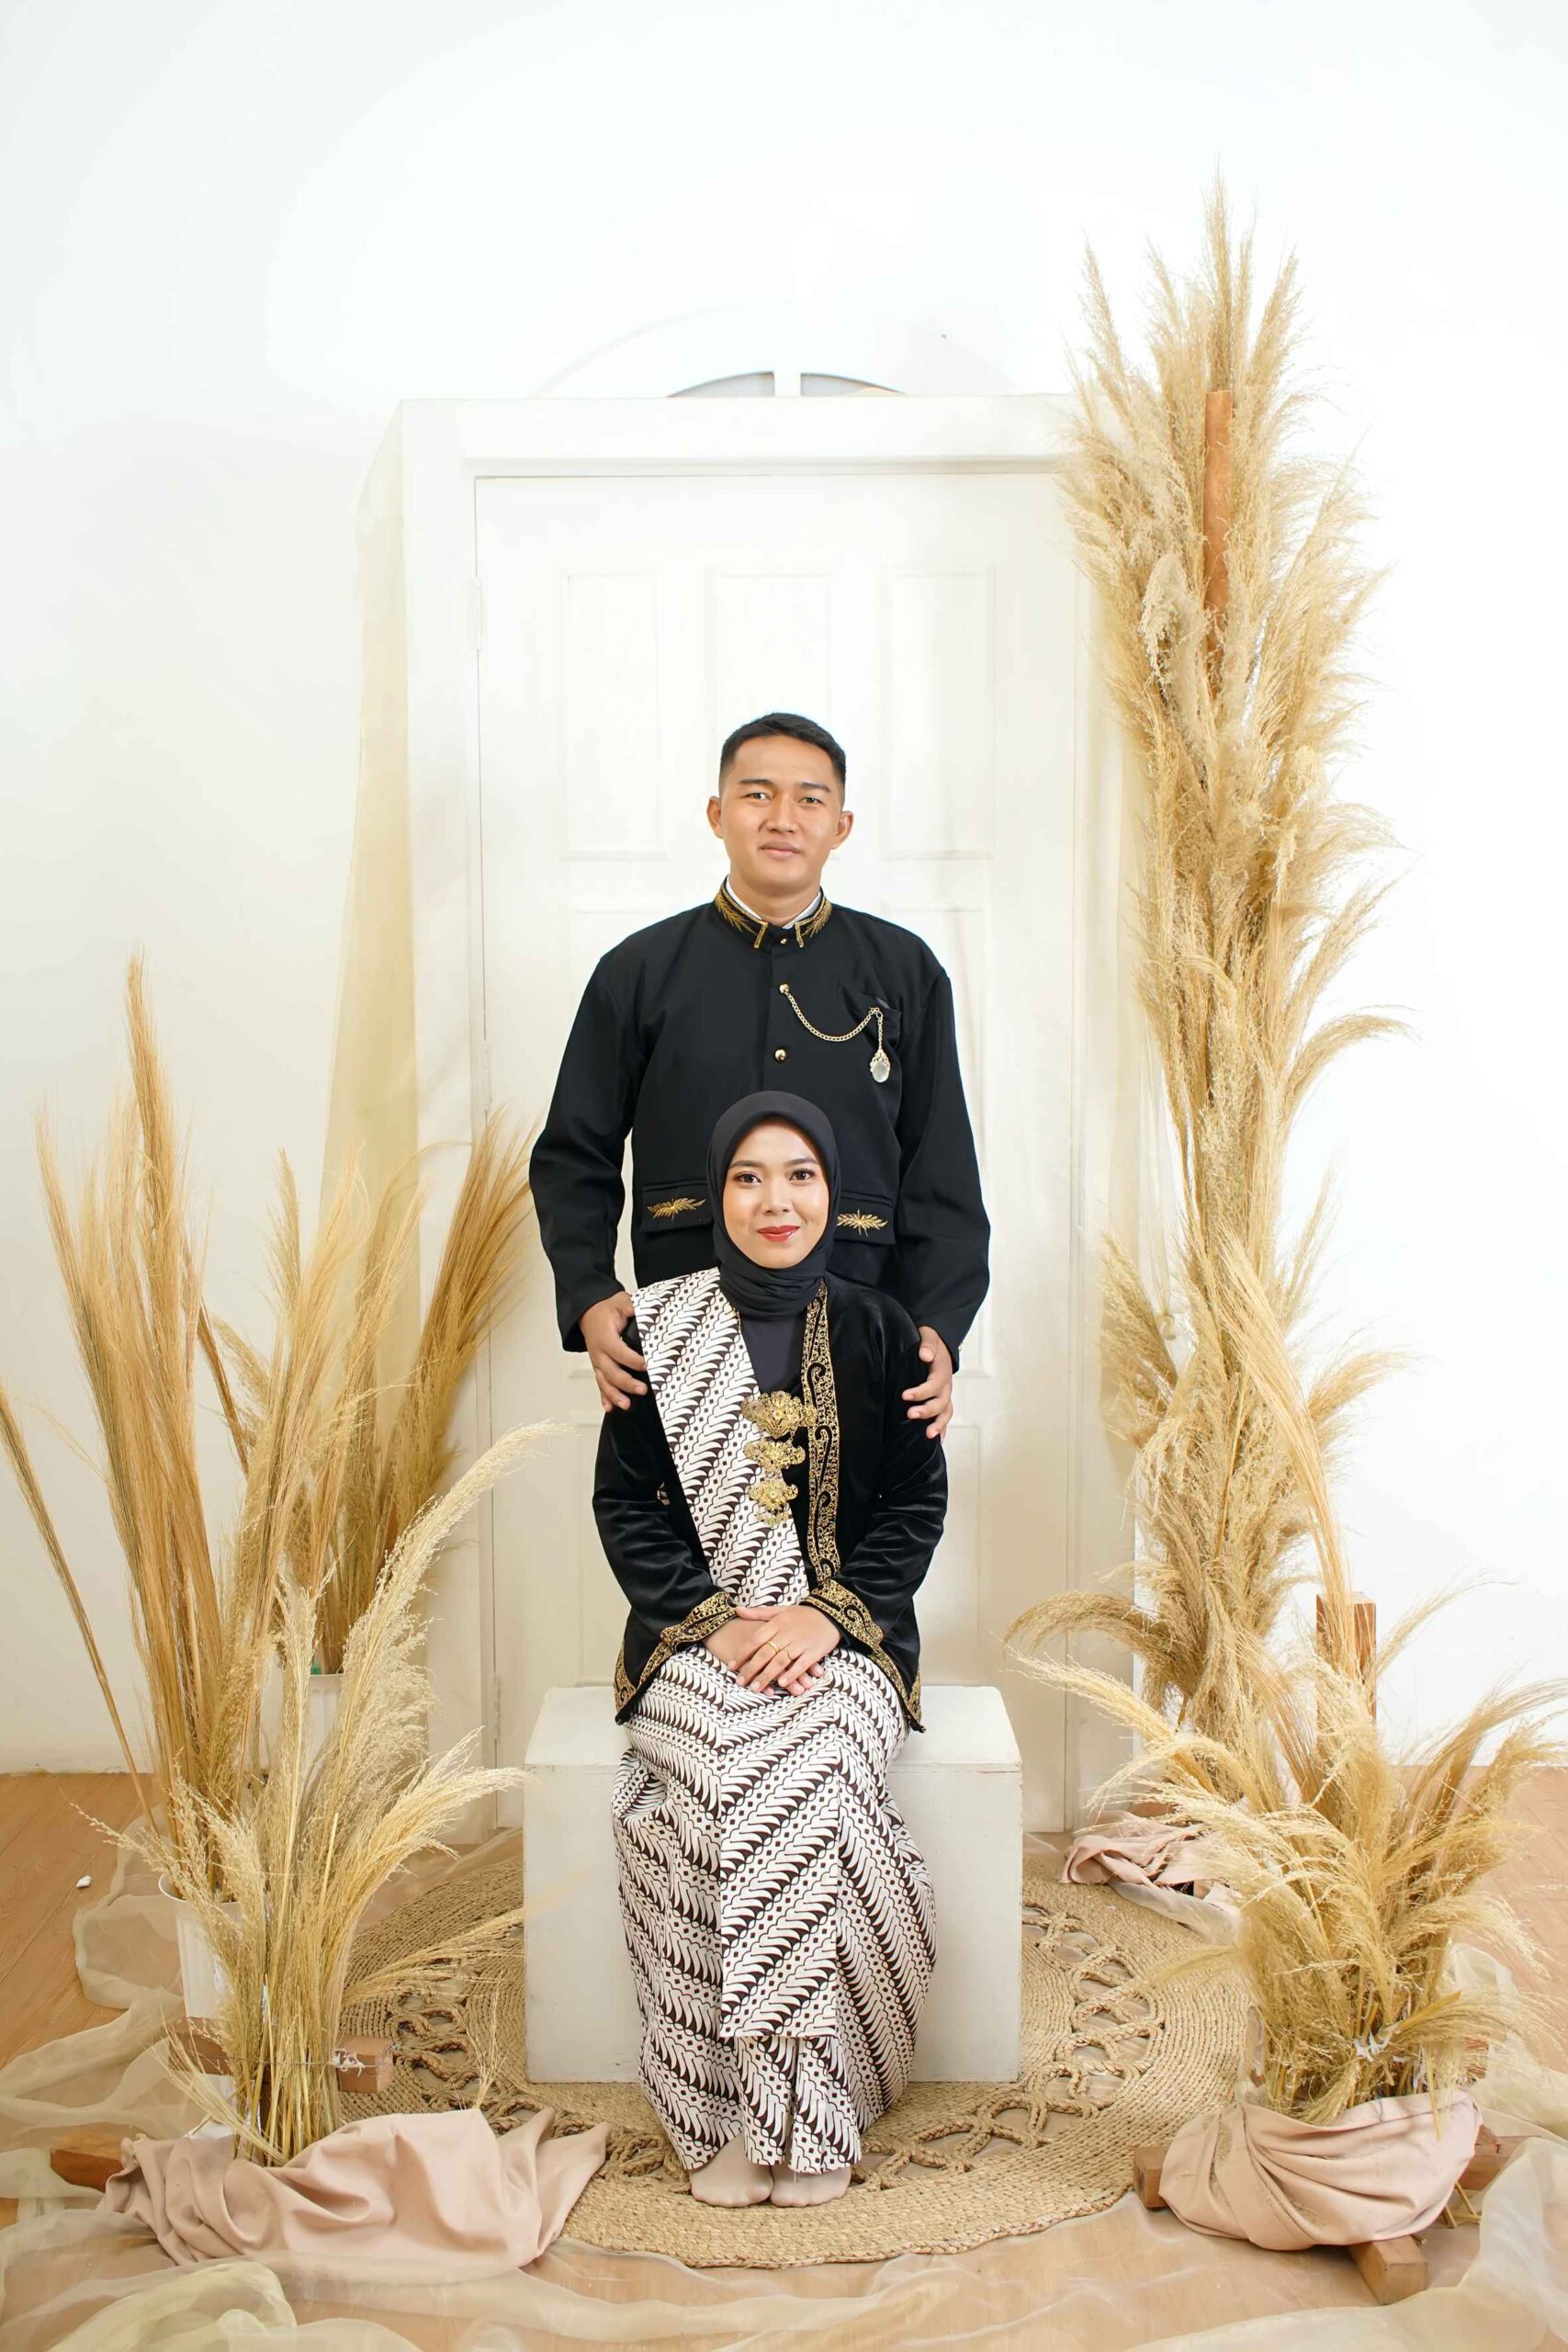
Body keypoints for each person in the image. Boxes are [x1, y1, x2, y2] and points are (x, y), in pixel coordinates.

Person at [594, 1091, 943, 2209]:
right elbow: (626, 1508)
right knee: (725, 1779)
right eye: (748, 1176)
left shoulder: (884, 1330)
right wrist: (721, 1618)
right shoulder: (658, 1332)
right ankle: (729, 2110)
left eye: (800, 1174)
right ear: (716, 1194)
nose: (775, 1199)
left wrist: (827, 1614)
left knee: (805, 1767)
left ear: (833, 1192)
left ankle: (800, 2106)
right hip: (694, 1640)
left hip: (848, 1642)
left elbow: (915, 1506)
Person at [531, 710, 988, 1445]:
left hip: (866, 1314)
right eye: (757, 795)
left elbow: (940, 1166)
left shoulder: (904, 972)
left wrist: (940, 1320)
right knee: (683, 1517)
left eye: (809, 799)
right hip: (685, 1315)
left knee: (856, 1515)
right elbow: (572, 1156)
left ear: (840, 826)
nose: (782, 818)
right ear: (716, 815)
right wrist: (589, 1291)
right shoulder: (638, 973)